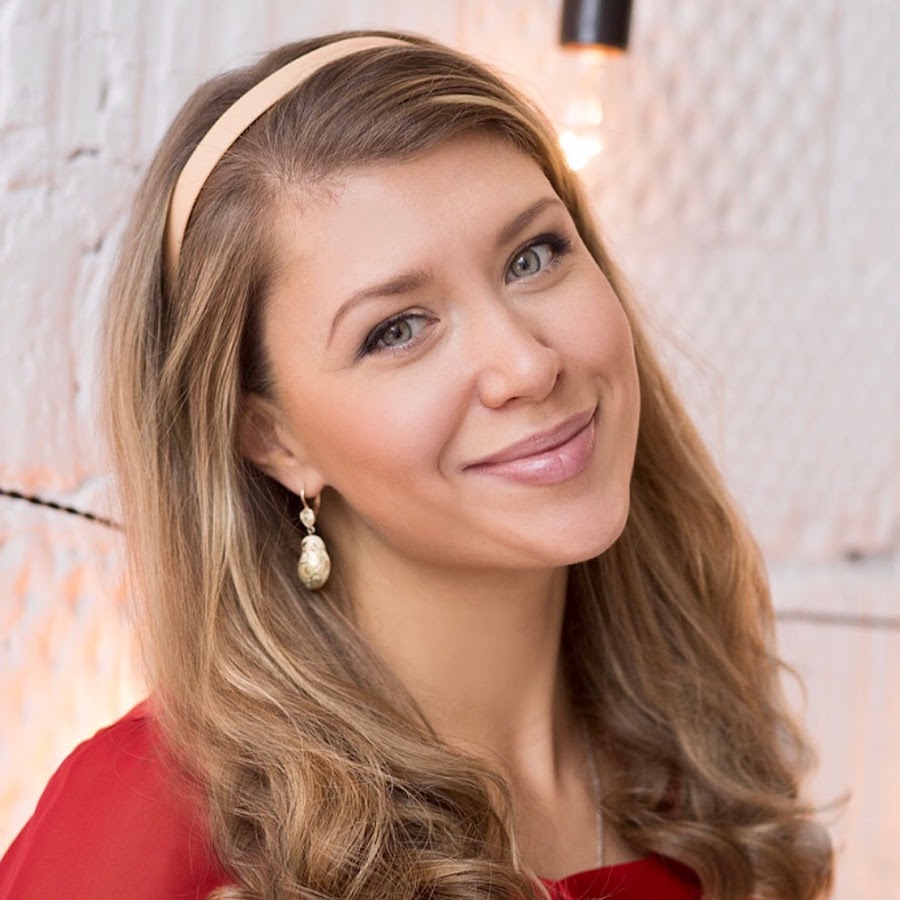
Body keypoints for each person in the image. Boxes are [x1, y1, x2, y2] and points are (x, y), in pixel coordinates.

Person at [0, 30, 834, 900]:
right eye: (396, 329)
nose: (527, 365)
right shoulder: (151, 823)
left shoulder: (706, 771)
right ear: (272, 439)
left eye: (533, 257)